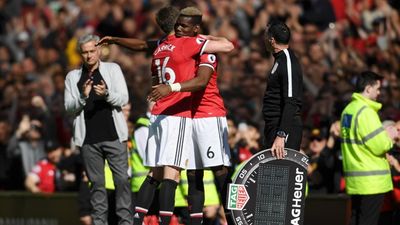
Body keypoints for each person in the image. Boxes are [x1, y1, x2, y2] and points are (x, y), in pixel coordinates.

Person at [64, 34, 132, 225]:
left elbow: (123, 98)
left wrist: (107, 94)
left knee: (122, 182)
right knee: (97, 186)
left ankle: (125, 222)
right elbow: (68, 107)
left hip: (114, 136)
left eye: (92, 51)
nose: (89, 56)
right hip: (88, 139)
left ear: (99, 50)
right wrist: (83, 97)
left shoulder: (113, 69)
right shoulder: (73, 77)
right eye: (85, 52)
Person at [340, 71, 398, 225]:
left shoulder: (348, 111)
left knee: (355, 218)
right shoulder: (366, 112)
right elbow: (380, 146)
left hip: (356, 179)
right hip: (371, 181)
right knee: (368, 221)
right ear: (368, 88)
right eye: (377, 88)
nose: (379, 92)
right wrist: (389, 137)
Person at [262, 21, 303, 159]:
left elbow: (291, 101)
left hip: (284, 129)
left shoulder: (287, 62)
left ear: (272, 40)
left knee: (282, 177)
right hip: (274, 125)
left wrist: (281, 134)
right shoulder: (280, 60)